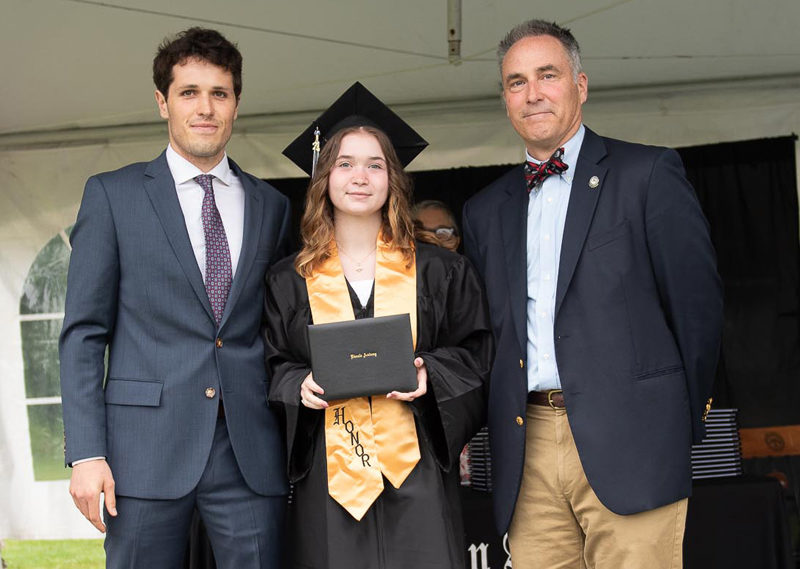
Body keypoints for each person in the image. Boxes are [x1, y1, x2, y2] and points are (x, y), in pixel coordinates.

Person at [461, 19, 723, 569]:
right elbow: (489, 336)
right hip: (526, 445)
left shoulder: (647, 172)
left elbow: (697, 310)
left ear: (580, 85)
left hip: (634, 441)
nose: (532, 93)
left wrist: (676, 420)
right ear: (505, 99)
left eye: (547, 75)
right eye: (515, 82)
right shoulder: (484, 210)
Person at [59, 28, 290, 568]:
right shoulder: (112, 195)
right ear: (163, 102)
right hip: (142, 452)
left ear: (236, 103)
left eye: (220, 92)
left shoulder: (272, 205)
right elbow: (84, 334)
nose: (205, 108)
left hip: (248, 451)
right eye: (189, 92)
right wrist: (87, 454)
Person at [265, 82, 493, 569]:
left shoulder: (440, 271)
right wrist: (295, 384)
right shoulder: (289, 279)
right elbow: (269, 363)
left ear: (394, 178)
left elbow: (477, 353)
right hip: (331, 474)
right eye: (344, 163)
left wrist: (433, 373)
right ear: (322, 176)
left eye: (375, 164)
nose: (360, 177)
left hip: (418, 469)